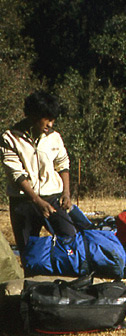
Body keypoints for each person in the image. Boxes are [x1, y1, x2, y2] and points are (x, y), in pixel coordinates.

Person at [1, 91, 76, 252]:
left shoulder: (54, 137)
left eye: (53, 120)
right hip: (23, 202)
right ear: (33, 116)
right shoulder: (10, 138)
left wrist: (66, 193)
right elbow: (16, 174)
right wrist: (36, 200)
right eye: (47, 119)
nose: (50, 124)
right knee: (28, 250)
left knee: (70, 239)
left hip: (53, 198)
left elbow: (62, 164)